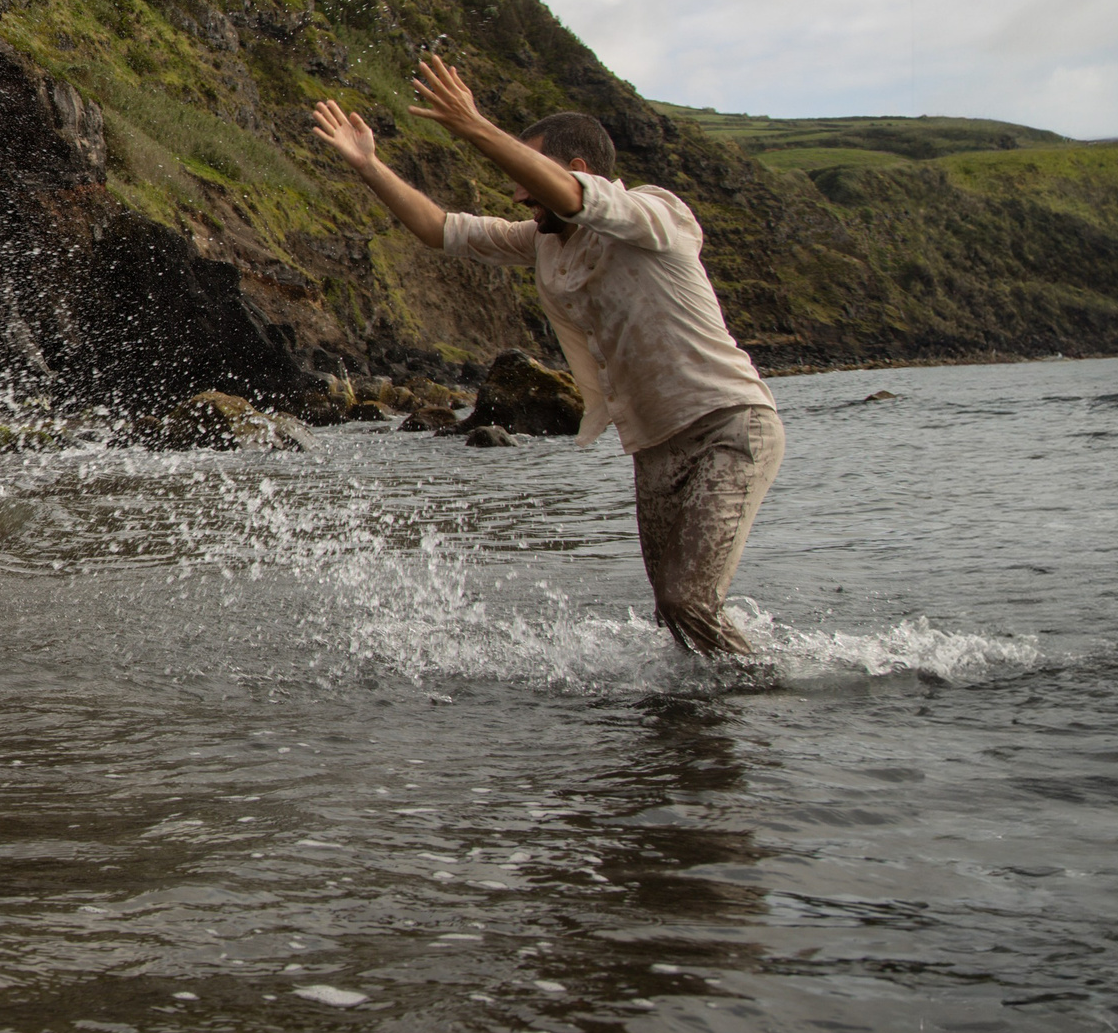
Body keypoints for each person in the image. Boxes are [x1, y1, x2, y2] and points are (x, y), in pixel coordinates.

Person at [311, 56, 782, 656]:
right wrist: (370, 166)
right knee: (675, 615)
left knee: (688, 601)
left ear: (578, 170)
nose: (518, 194)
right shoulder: (542, 242)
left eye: (528, 178)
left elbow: (578, 200)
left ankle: (767, 702)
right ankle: (702, 721)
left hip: (730, 426)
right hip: (656, 446)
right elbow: (440, 230)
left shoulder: (656, 214)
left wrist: (475, 126)